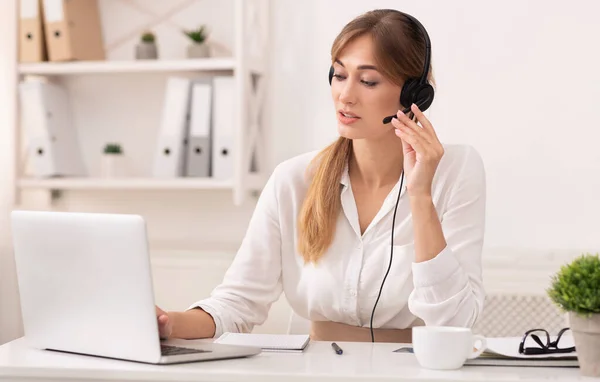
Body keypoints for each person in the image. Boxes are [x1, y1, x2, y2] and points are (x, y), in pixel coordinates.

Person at [155, 9, 486, 343]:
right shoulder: (294, 179)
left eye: (368, 81)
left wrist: (420, 196)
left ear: (414, 95)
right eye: (339, 75)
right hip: (316, 369)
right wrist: (168, 323)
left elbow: (455, 322)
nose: (345, 95)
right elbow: (238, 302)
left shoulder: (455, 171)